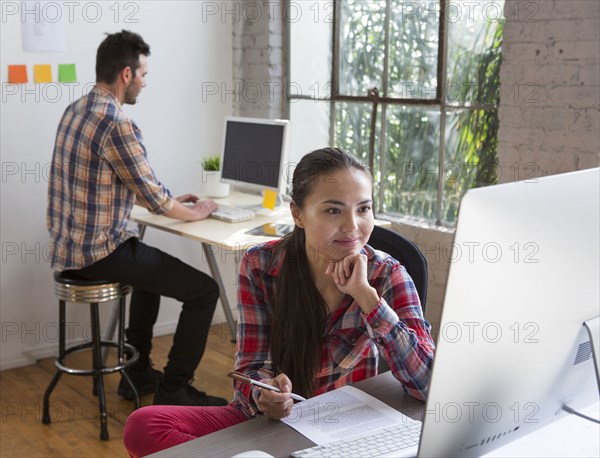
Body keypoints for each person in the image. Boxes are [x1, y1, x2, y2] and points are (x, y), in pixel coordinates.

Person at [123, 147, 435, 457]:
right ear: (298, 214)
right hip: (272, 422)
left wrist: (367, 298)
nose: (353, 226)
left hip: (343, 428)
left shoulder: (387, 274)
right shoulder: (261, 264)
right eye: (333, 210)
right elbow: (252, 366)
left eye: (363, 209)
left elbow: (427, 385)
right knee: (143, 424)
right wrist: (264, 394)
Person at [47, 30, 227, 407]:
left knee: (149, 274)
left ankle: (137, 372)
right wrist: (194, 212)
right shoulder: (117, 123)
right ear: (126, 75)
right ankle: (175, 389)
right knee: (204, 291)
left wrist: (168, 200)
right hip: (98, 255)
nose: (144, 83)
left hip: (68, 250)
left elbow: (125, 186)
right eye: (143, 74)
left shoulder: (76, 109)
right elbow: (156, 201)